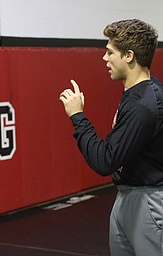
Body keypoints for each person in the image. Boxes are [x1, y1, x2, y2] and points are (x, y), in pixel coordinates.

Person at [59, 19, 163, 256]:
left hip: (148, 202)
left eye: (109, 52)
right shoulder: (138, 94)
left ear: (129, 56)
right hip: (128, 196)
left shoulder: (143, 105)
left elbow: (104, 160)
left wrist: (77, 116)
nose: (105, 58)